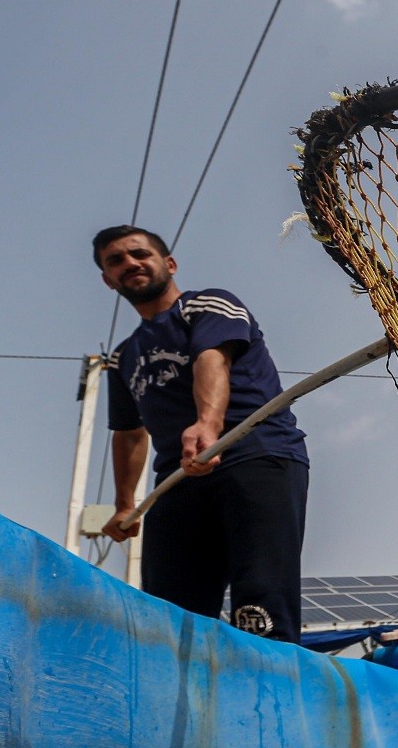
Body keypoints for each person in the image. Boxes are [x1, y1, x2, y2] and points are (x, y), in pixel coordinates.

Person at [94, 225, 311, 643]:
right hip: (178, 479)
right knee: (168, 615)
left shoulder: (207, 305)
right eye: (115, 261)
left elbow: (212, 360)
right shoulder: (122, 357)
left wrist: (209, 425)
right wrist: (124, 505)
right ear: (107, 280)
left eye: (140, 254)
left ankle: (270, 692)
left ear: (169, 264)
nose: (130, 263)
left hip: (254, 455)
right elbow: (128, 432)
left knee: (260, 599)